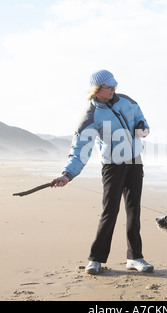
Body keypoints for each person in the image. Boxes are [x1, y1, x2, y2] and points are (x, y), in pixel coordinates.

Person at [52, 69, 153, 275]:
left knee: (134, 211)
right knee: (110, 211)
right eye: (109, 87)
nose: (114, 89)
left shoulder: (126, 101)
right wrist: (67, 174)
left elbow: (141, 118)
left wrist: (143, 126)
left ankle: (135, 257)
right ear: (97, 90)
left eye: (115, 85)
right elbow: (80, 149)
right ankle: (96, 259)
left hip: (135, 162)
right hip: (113, 167)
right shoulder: (90, 115)